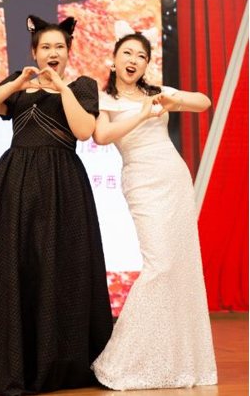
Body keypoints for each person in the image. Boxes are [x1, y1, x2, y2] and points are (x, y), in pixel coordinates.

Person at [0, 15, 113, 395]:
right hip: (14, 183)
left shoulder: (81, 86)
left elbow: (84, 131)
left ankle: (56, 363)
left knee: (59, 266)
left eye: (60, 47)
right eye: (46, 47)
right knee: (10, 266)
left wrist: (61, 88)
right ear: (34, 52)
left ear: (68, 52)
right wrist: (19, 82)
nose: (53, 53)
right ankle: (13, 362)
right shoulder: (19, 84)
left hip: (62, 185)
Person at [90, 21, 217, 390]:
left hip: (174, 176)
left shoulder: (157, 92)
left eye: (141, 56)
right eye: (127, 53)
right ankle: (121, 360)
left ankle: (173, 360)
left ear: (147, 64)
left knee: (181, 266)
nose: (133, 60)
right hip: (142, 181)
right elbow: (101, 135)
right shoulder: (104, 99)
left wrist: (173, 101)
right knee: (159, 265)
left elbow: (204, 102)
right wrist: (142, 114)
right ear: (114, 59)